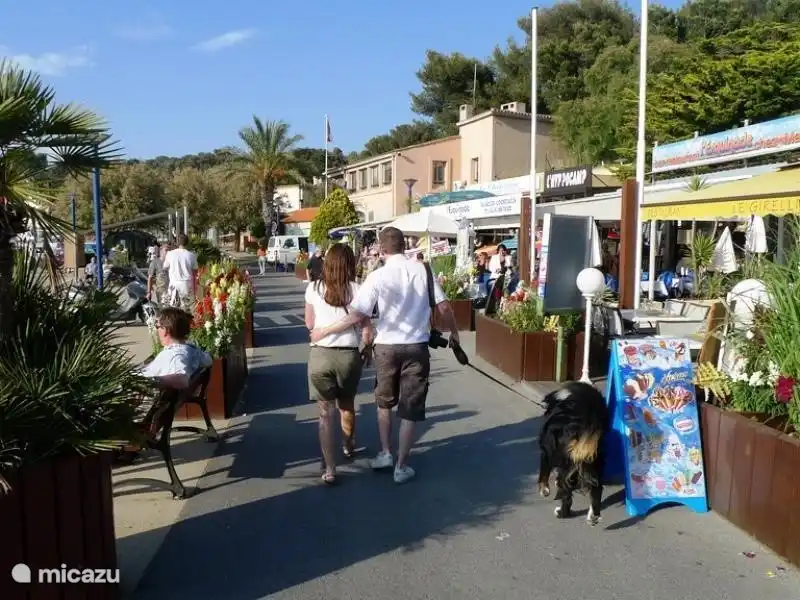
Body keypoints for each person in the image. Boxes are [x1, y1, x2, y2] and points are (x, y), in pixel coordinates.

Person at [310, 226, 459, 484]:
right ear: (404, 246)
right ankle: (402, 466)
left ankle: (386, 453)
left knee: (384, 403)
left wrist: (325, 331)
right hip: (417, 346)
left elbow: (358, 315)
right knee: (411, 407)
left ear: (381, 249)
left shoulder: (377, 276)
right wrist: (454, 333)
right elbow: (444, 306)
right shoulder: (423, 270)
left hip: (387, 347)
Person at [305, 244, 372, 485]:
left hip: (321, 355)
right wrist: (367, 348)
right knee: (347, 405)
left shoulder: (313, 288)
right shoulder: (357, 289)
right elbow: (366, 330)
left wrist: (323, 329)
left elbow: (309, 324)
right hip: (348, 355)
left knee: (324, 414)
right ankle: (348, 444)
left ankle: (330, 469)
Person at [140, 307, 212, 390]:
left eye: (157, 326)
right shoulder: (192, 350)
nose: (157, 331)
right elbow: (208, 360)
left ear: (166, 330)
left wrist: (152, 380)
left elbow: (181, 379)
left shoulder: (176, 355)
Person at [163, 234, 198, 308]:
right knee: (185, 307)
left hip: (174, 283)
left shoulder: (170, 254)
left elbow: (165, 267)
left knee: (173, 308)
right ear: (187, 242)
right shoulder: (191, 255)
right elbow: (195, 271)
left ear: (177, 243)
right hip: (186, 284)